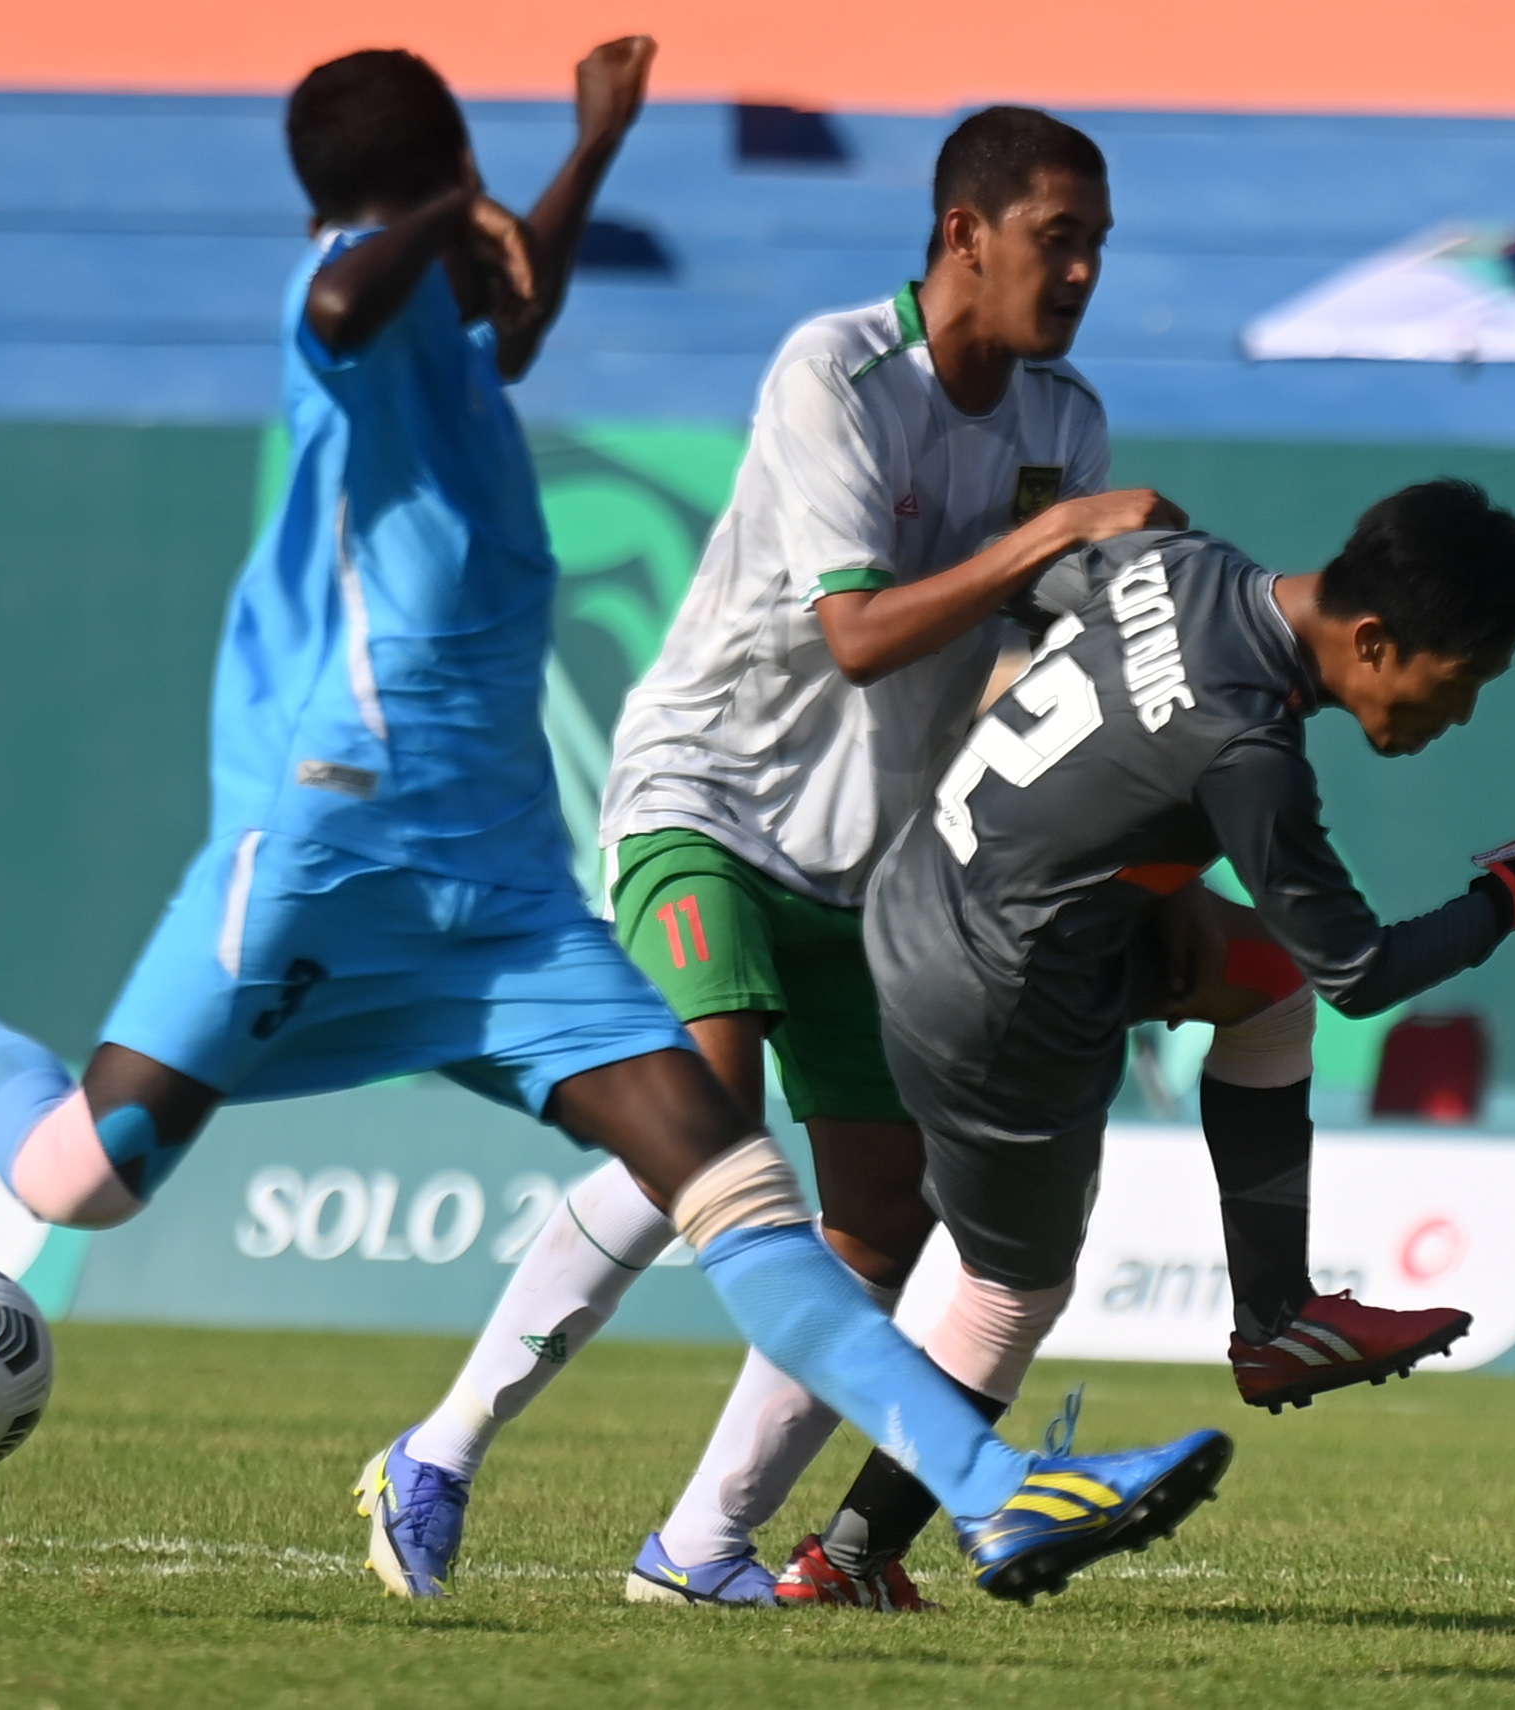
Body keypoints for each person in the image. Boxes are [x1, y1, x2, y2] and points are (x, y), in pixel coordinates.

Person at [0, 46, 1230, 1610]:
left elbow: (518, 309)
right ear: (423, 178)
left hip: (498, 876)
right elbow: (344, 300)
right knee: (82, 1177)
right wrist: (440, 211)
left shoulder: (454, 340)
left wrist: (588, 152)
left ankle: (983, 1494)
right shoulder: (349, 299)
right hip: (330, 845)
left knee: (725, 1173)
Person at [388, 105, 1191, 1611]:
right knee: (707, 1122)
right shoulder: (836, 371)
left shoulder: (1063, 420)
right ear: (964, 234)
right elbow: (861, 633)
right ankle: (437, 1449)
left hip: (868, 858)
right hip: (709, 797)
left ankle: (700, 1548)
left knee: (885, 1215)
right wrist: (1054, 539)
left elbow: (1036, 656)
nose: (1080, 271)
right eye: (1055, 238)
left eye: (1096, 245)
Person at [783, 483, 1515, 1592]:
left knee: (1266, 991)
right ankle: (847, 1559)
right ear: (1372, 639)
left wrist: (1130, 835)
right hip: (998, 986)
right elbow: (1362, 973)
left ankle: (1276, 1320)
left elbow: (1036, 580)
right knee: (1011, 1295)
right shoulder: (1248, 748)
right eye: (1457, 685)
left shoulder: (1181, 567)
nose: (1458, 717)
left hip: (934, 893)